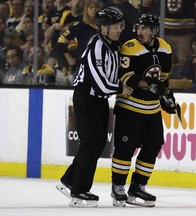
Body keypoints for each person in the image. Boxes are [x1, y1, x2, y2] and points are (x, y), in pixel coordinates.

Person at [56, 7, 132, 208]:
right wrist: (121, 88)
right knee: (91, 143)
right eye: (115, 26)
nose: (119, 30)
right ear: (103, 29)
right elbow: (101, 84)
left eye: (120, 25)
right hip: (86, 99)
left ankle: (69, 180)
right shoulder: (96, 46)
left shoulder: (114, 46)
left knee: (96, 143)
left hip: (99, 100)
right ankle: (79, 192)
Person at [110, 13, 176, 208]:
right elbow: (125, 76)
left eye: (145, 29)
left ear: (154, 31)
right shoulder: (129, 47)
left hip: (152, 109)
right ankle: (118, 187)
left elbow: (163, 78)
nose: (140, 32)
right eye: (138, 28)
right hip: (129, 108)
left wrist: (167, 96)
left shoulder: (165, 48)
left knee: (154, 144)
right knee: (125, 148)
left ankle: (137, 186)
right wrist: (149, 85)